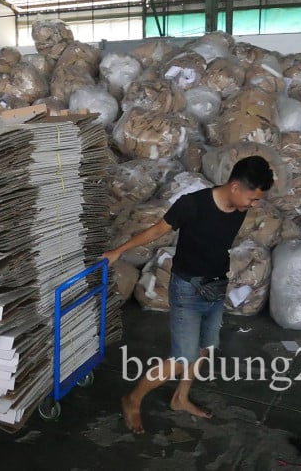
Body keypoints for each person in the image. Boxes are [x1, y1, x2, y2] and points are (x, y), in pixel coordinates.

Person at [103, 155, 274, 434]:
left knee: (205, 347)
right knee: (183, 358)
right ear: (234, 186)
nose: (254, 205)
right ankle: (132, 399)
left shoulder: (239, 209)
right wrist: (117, 252)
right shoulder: (192, 204)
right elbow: (155, 231)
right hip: (187, 288)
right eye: (252, 199)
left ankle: (179, 398)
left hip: (216, 285)